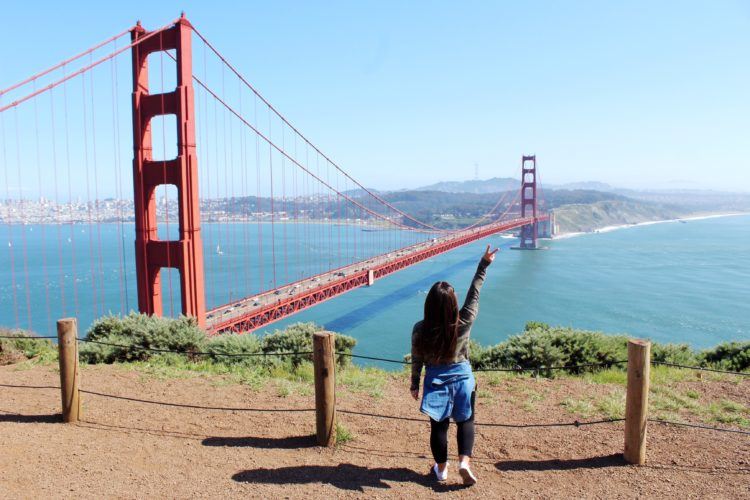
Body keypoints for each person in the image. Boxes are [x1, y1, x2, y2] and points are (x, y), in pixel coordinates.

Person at [410, 244, 499, 486]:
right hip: (463, 378)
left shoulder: (420, 329)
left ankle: (441, 469)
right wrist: (483, 265)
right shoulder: (465, 321)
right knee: (466, 420)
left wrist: (414, 384)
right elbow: (474, 294)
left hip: (436, 379)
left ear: (429, 305)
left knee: (439, 426)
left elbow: (417, 358)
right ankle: (464, 463)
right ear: (453, 305)